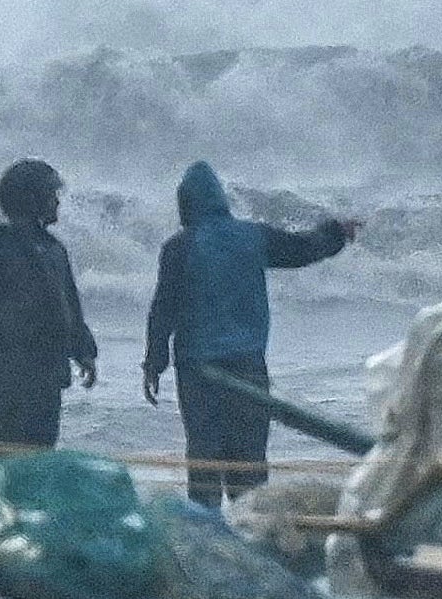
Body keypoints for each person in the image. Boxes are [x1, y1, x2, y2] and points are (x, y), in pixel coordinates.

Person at [141, 159, 355, 505]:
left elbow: (163, 309)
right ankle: (254, 534)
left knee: (204, 462)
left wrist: (153, 362)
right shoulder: (252, 237)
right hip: (248, 365)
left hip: (199, 371)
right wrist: (335, 233)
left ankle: (208, 536)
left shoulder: (179, 247)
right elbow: (303, 249)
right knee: (250, 463)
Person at [0, 158, 99, 450]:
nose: (57, 202)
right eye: (51, 194)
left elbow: (69, 306)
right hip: (1, 372)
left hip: (46, 373)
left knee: (39, 457)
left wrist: (84, 351)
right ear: (33, 199)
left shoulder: (53, 249)